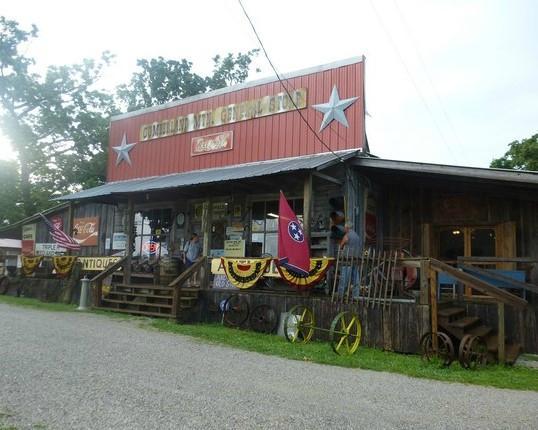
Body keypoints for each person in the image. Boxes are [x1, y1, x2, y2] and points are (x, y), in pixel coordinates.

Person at [337, 222, 362, 299]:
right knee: (356, 279)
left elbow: (341, 246)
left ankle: (341, 295)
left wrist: (340, 248)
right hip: (356, 259)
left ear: (347, 228)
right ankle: (356, 295)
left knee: (344, 278)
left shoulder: (347, 236)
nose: (344, 229)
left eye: (345, 228)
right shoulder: (357, 236)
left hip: (347, 260)